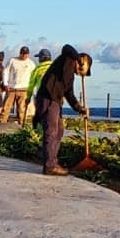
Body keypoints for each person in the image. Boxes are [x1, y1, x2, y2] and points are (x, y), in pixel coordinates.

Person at [32, 44, 89, 176]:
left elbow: (69, 94)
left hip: (55, 101)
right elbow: (67, 47)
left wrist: (79, 108)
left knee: (59, 131)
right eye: (84, 70)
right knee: (51, 131)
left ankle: (52, 161)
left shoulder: (70, 77)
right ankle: (49, 166)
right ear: (81, 62)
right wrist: (78, 59)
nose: (83, 74)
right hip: (47, 98)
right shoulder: (67, 60)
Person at [0, 46, 35, 124]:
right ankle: (1, 124)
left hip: (24, 89)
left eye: (26, 54)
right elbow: (5, 72)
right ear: (20, 53)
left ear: (28, 54)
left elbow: (33, 76)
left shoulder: (31, 63)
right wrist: (5, 84)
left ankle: (21, 126)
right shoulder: (12, 60)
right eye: (22, 53)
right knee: (6, 108)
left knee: (22, 110)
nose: (24, 55)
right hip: (11, 88)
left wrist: (31, 88)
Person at [26, 48, 53, 127]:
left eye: (39, 57)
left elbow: (31, 85)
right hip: (55, 95)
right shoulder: (56, 66)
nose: (38, 59)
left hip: (42, 95)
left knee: (39, 115)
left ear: (42, 58)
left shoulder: (38, 69)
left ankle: (37, 132)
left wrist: (28, 97)